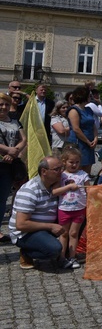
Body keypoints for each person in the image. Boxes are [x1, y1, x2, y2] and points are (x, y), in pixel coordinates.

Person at [9, 156, 66, 270]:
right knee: (54, 249)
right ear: (44, 172)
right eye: (57, 169)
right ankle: (27, 252)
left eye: (62, 168)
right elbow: (21, 225)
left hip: (46, 226)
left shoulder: (57, 184)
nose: (61, 172)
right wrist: (50, 226)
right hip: (26, 232)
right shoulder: (30, 190)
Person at [53, 146, 90, 269]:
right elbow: (55, 191)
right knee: (63, 234)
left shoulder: (83, 175)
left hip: (79, 209)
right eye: (71, 162)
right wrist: (68, 187)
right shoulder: (61, 175)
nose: (74, 165)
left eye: (77, 162)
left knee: (74, 233)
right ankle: (62, 257)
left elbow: (89, 190)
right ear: (64, 162)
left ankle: (72, 257)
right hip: (64, 209)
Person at [0, 92, 28, 242]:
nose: (4, 107)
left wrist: (14, 151)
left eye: (6, 104)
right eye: (1, 104)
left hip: (9, 164)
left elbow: (23, 139)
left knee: (2, 199)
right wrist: (7, 150)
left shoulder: (15, 121)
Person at [66, 86, 97, 174]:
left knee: (88, 167)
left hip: (89, 142)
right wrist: (87, 141)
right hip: (79, 143)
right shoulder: (74, 110)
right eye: (89, 95)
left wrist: (95, 138)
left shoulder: (88, 109)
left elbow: (93, 125)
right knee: (77, 167)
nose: (90, 97)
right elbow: (76, 128)